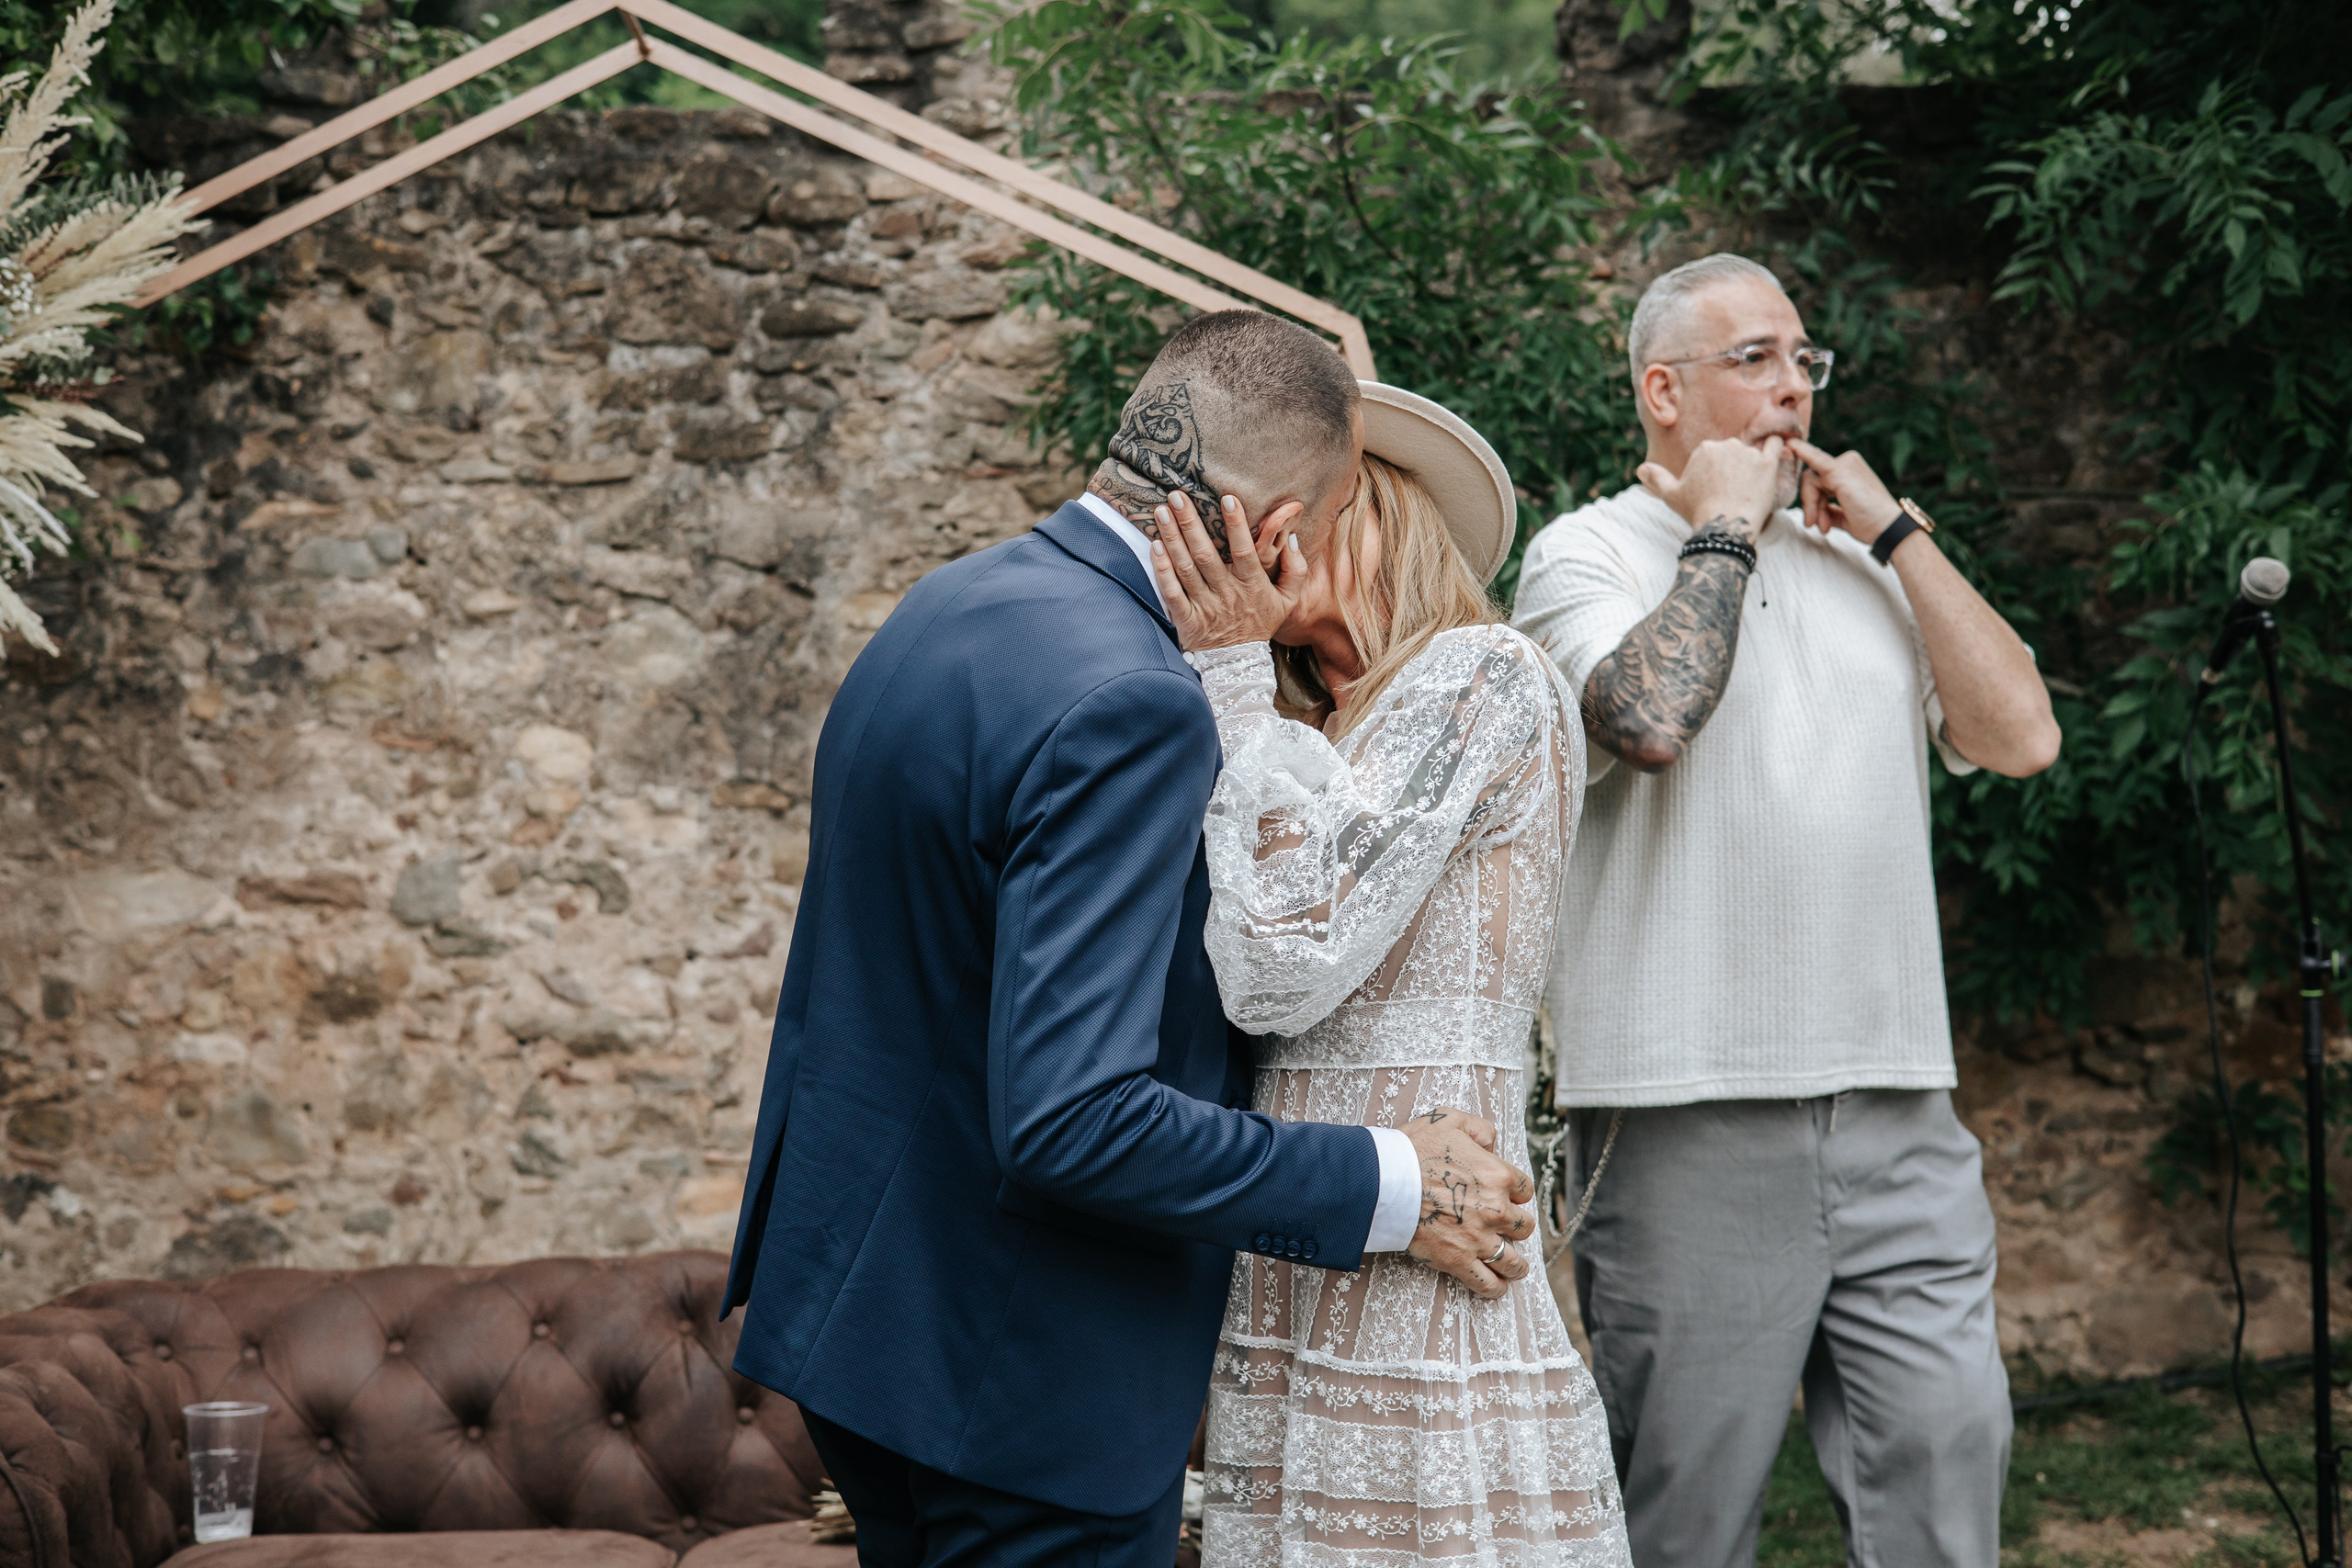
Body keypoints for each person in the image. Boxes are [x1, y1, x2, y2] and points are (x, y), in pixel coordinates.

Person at [721, 310, 1539, 1568]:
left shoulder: (947, 606)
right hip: (1022, 1379)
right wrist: (1396, 1179)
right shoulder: (1141, 706)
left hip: (857, 1328)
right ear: (1276, 532)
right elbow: (1074, 1116)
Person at [1511, 252, 2063, 1568]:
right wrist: (1722, 532)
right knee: (1687, 1516)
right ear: (1661, 389)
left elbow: (2023, 734)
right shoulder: (1581, 551)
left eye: (1803, 358)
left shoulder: (1873, 561)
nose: (1791, 388)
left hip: (1899, 1101)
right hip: (1683, 1106)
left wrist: (1899, 533)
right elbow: (1644, 719)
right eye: (1752, 358)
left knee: (1950, 1463)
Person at [1148, 387, 1631, 1568]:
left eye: (1324, 501)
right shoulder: (1301, 732)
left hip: (1428, 1251)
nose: (1281, 532)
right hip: (1307, 1239)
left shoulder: (1486, 675)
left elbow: (1275, 966)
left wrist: (1225, 677)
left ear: (1395, 513)